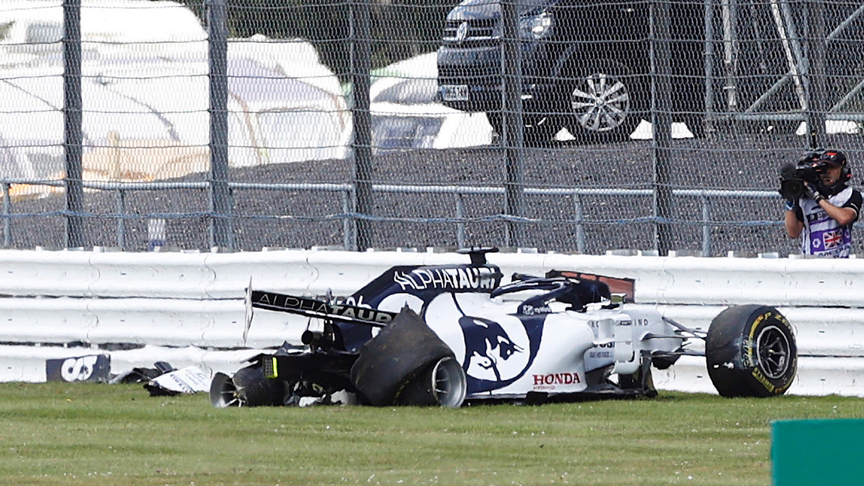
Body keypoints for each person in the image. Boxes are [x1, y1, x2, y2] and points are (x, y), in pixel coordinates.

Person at [783, 149, 862, 258]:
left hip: (840, 261)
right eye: (824, 168)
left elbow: (844, 218)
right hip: (812, 262)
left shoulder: (850, 194)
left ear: (843, 171)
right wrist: (790, 202)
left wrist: (817, 197)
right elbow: (793, 232)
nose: (827, 172)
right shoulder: (805, 199)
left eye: (832, 168)